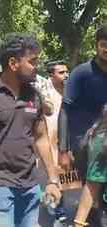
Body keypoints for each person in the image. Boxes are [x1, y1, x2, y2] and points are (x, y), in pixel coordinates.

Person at [0, 33, 61, 227]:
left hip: (30, 186)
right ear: (13, 63)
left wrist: (52, 180)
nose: (37, 67)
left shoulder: (34, 95)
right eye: (32, 62)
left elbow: (41, 138)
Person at [58, 23, 107, 227]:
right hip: (83, 144)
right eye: (104, 44)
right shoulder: (81, 73)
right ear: (96, 46)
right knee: (86, 191)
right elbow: (64, 110)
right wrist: (63, 149)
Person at [46, 60, 69, 223]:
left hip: (67, 142)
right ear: (51, 76)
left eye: (67, 71)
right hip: (49, 143)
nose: (66, 75)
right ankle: (58, 209)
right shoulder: (45, 93)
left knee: (68, 177)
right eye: (61, 72)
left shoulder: (72, 92)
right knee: (54, 175)